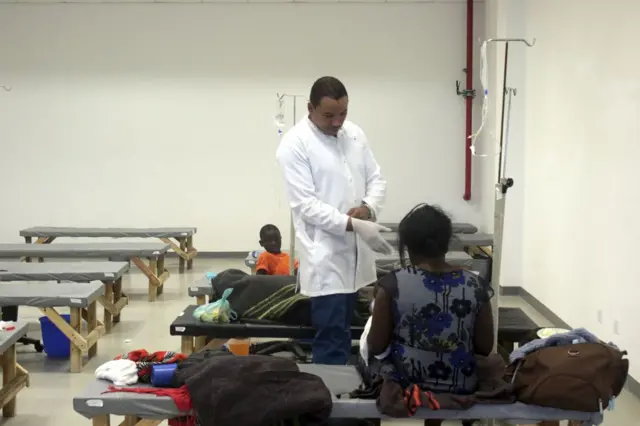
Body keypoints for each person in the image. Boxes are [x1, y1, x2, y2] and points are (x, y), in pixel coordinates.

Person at [276, 76, 392, 365]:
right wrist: (352, 224)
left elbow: (376, 178)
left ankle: (347, 394)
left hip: (355, 254)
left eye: (343, 113)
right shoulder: (294, 144)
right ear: (310, 108)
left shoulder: (354, 135)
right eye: (329, 115)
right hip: (325, 256)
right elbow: (306, 205)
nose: (337, 121)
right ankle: (329, 401)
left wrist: (367, 207)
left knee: (351, 330)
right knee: (331, 334)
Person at [367, 203, 495, 425]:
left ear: (408, 246)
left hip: (408, 384)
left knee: (369, 358)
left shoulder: (392, 284)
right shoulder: (475, 285)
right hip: (462, 383)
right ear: (447, 242)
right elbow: (484, 346)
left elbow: (376, 346)